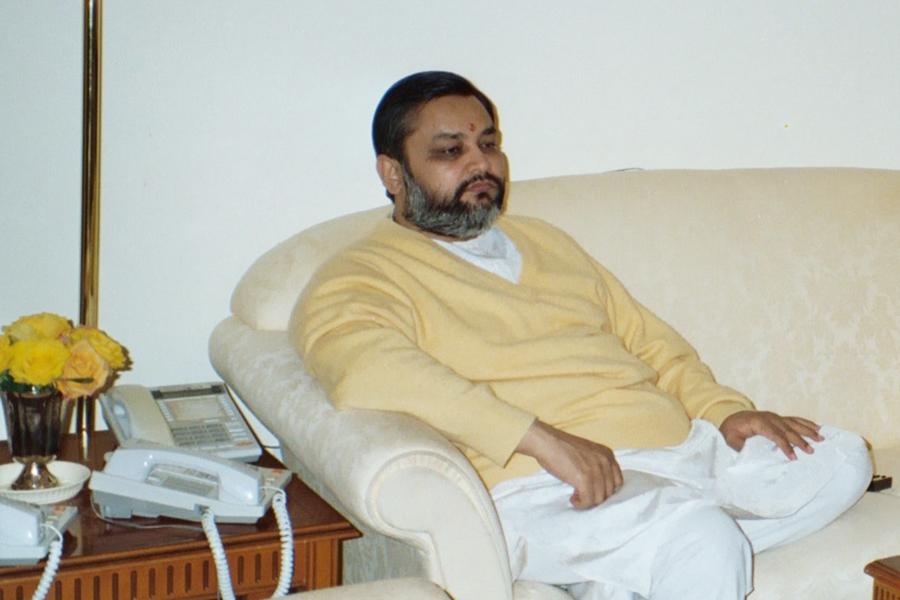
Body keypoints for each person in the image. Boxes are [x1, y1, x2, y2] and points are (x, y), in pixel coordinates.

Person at [290, 71, 871, 599]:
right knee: (702, 537)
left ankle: (630, 565)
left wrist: (723, 414)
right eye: (451, 150)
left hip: (676, 455)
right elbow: (368, 370)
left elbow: (650, 343)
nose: (481, 163)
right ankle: (678, 542)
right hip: (542, 487)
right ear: (393, 172)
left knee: (842, 459)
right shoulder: (360, 274)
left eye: (489, 144)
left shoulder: (543, 241)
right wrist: (541, 439)